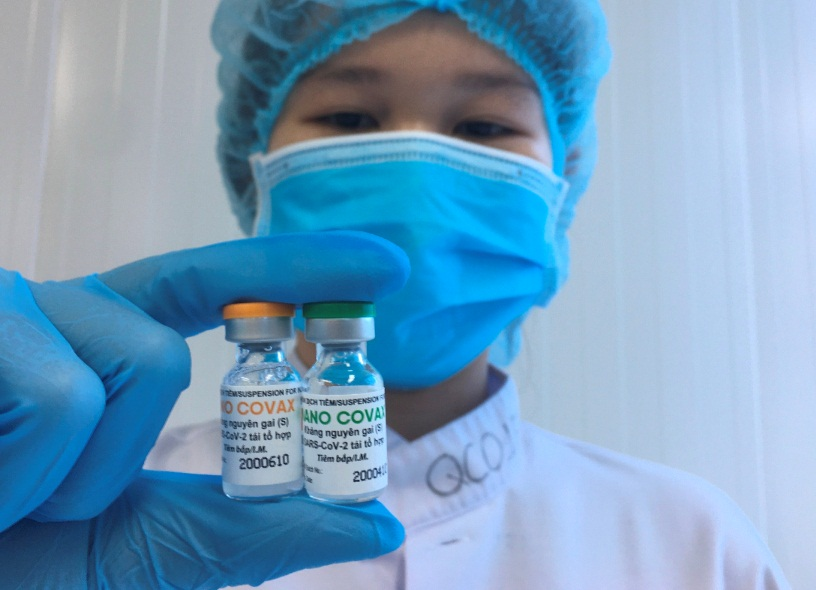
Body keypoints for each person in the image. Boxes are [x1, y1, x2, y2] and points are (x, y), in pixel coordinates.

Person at [144, 1, 791, 589]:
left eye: (483, 126)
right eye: (349, 118)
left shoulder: (695, 550)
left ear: (560, 181)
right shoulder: (118, 512)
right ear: (255, 165)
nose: (418, 181)